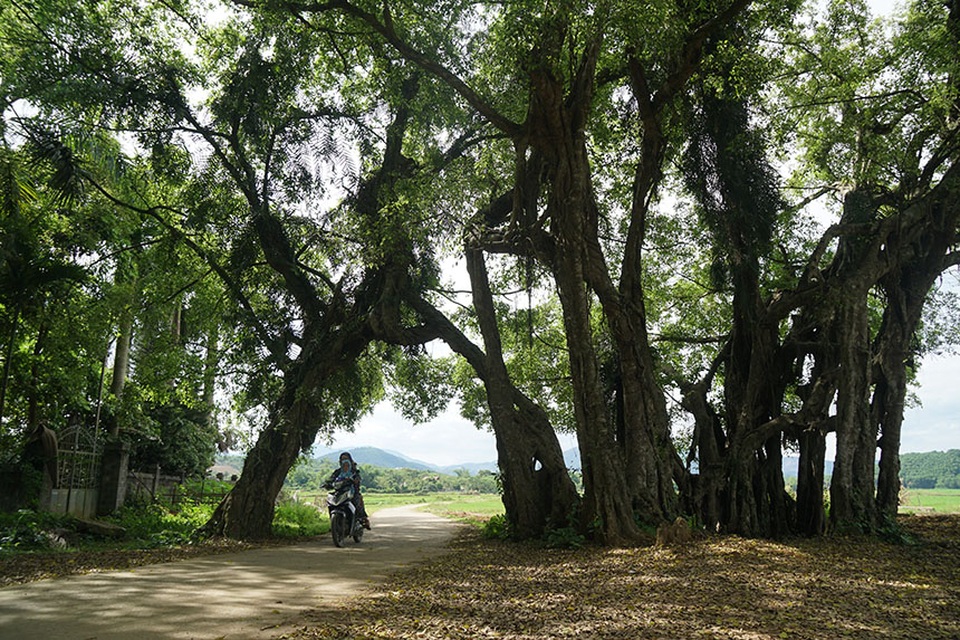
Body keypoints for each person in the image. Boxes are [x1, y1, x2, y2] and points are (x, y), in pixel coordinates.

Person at [324, 451, 370, 529]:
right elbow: (331, 479)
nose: (344, 461)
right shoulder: (338, 472)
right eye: (342, 459)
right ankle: (333, 523)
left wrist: (355, 480)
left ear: (349, 460)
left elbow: (358, 478)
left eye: (345, 458)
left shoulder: (354, 471)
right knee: (331, 503)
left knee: (357, 501)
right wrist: (327, 483)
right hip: (339, 492)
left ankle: (361, 520)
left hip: (351, 492)